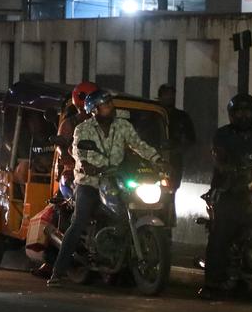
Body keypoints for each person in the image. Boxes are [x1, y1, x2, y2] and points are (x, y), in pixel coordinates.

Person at [48, 89, 162, 288]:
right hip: (89, 182)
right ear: (94, 110)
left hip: (116, 178)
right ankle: (58, 271)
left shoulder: (123, 126)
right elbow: (78, 150)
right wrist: (86, 164)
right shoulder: (83, 129)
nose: (110, 108)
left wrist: (157, 159)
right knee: (79, 221)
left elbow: (138, 145)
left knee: (128, 210)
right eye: (106, 105)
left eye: (110, 104)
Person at [199, 94, 252, 300]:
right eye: (240, 112)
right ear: (232, 114)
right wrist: (231, 169)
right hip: (229, 190)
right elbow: (219, 158)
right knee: (222, 231)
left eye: (249, 111)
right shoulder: (223, 135)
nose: (245, 116)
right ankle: (212, 283)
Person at [55, 81, 99, 199]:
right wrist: (65, 154)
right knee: (77, 197)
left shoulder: (106, 122)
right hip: (75, 172)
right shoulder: (69, 124)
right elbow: (62, 146)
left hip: (103, 172)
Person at [157, 83, 196, 193]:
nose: (169, 97)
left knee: (171, 189)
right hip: (153, 156)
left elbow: (190, 139)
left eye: (171, 94)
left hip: (174, 159)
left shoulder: (182, 117)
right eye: (166, 94)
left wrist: (177, 149)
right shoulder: (152, 115)